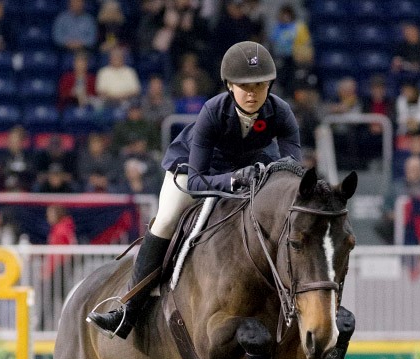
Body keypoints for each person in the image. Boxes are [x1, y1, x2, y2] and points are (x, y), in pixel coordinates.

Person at [87, 40, 301, 340]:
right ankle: (127, 310)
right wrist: (233, 179)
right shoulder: (213, 111)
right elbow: (199, 180)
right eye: (244, 85)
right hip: (193, 170)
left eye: (260, 85)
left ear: (270, 85)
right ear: (229, 85)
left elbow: (293, 169)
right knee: (166, 219)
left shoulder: (281, 113)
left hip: (247, 171)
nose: (252, 93)